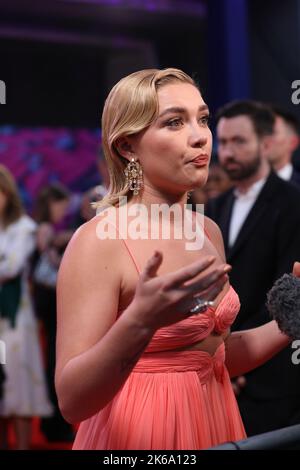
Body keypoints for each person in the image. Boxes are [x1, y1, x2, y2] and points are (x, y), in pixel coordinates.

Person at [55, 69, 298, 450]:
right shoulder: (99, 241)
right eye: (174, 122)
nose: (201, 135)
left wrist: (291, 321)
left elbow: (213, 355)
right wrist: (138, 322)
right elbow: (72, 401)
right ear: (127, 147)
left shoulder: (207, 231)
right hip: (141, 434)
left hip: (215, 420)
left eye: (202, 119)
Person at [206, 100, 300, 435]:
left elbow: (287, 290)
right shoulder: (214, 207)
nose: (227, 152)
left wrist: (240, 360)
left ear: (266, 144)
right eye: (224, 142)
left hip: (273, 376)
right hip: (217, 369)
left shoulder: (293, 203)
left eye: (238, 142)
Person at [0, 165, 52, 449]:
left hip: (15, 320)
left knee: (17, 381)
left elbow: (11, 266)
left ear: (7, 193)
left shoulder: (24, 228)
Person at [32, 183, 74, 442]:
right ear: (53, 204)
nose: (64, 211)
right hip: (48, 299)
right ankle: (53, 424)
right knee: (53, 359)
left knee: (52, 358)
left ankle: (53, 423)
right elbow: (51, 263)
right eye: (62, 206)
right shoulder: (45, 229)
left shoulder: (44, 229)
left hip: (46, 299)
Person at [267, 105, 300, 185]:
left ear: (293, 143)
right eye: (259, 132)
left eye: (271, 132)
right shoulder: (235, 187)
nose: (264, 138)